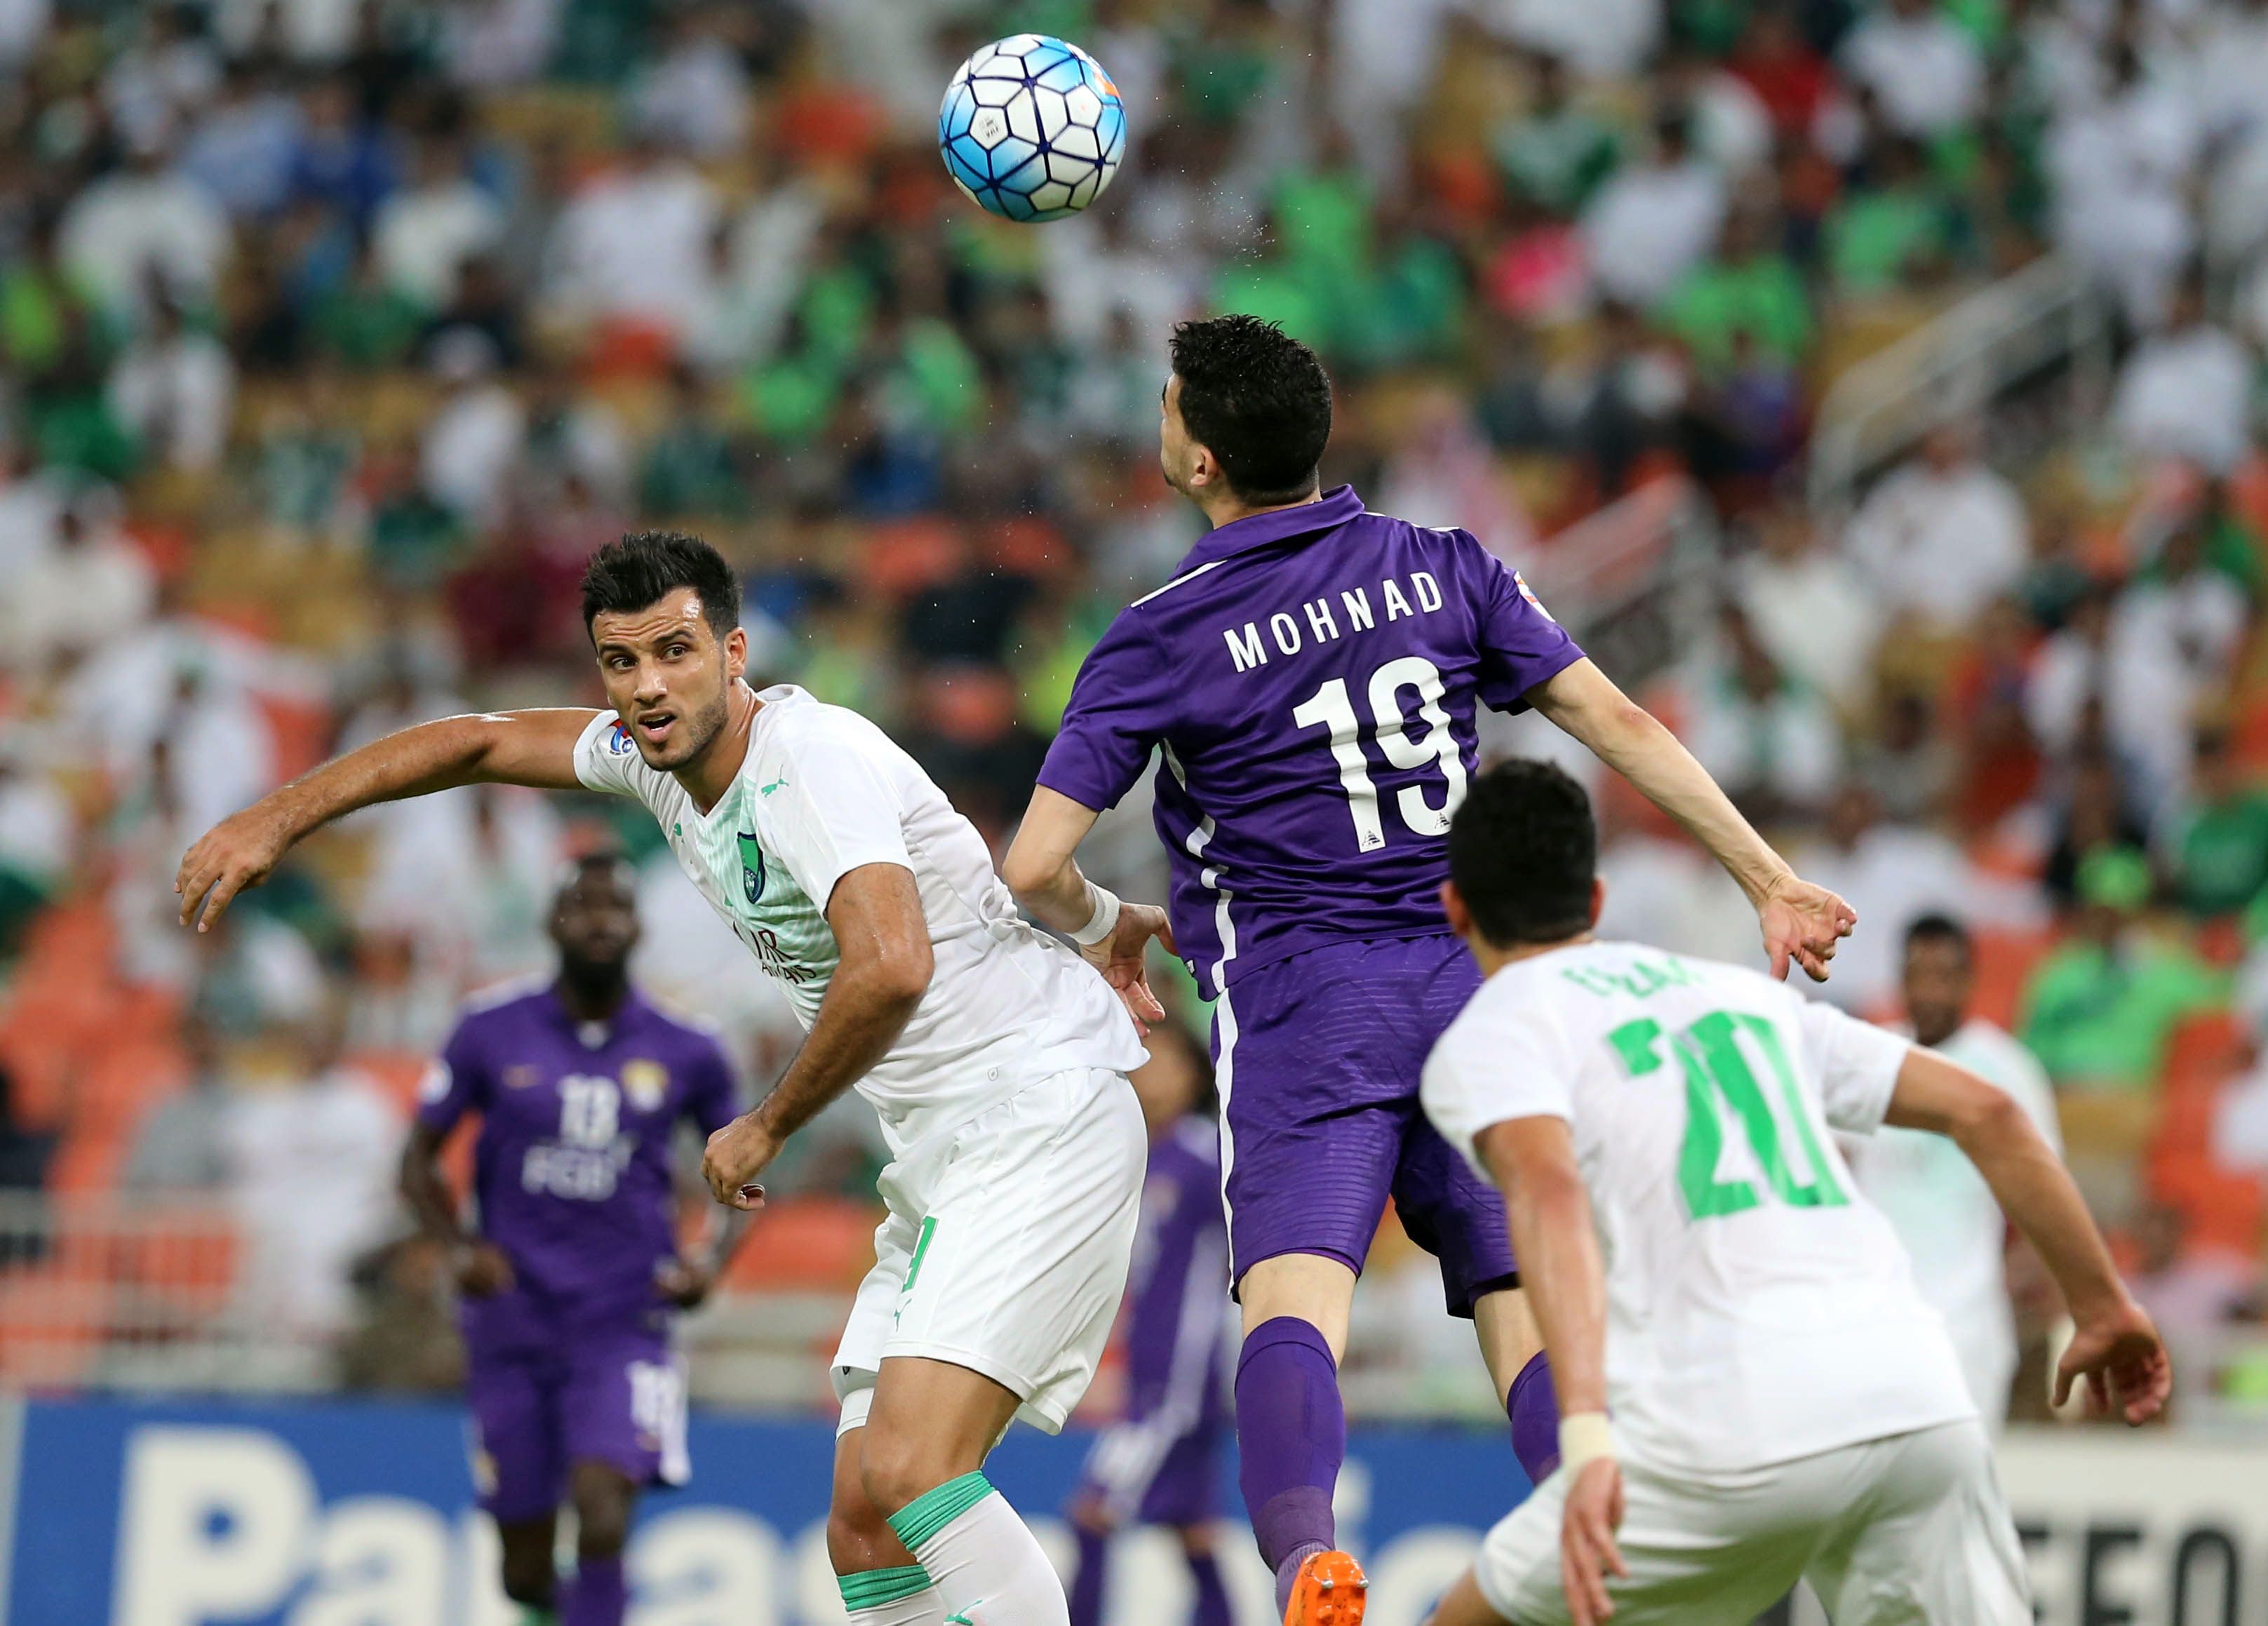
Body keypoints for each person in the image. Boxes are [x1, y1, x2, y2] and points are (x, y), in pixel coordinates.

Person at [1002, 314, 1855, 1624]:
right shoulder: (1440, 564)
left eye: (1169, 408)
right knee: (1512, 1291)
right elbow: (1609, 715)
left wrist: (1102, 918)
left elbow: (1031, 866)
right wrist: (1767, 876)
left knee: (1296, 1298)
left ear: (1198, 460)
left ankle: (1306, 1563)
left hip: (1299, 1005)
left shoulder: (1161, 631)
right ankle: (1606, 1531)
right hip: (1468, 996)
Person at [178, 530, 1153, 1626]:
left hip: (1035, 1109)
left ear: (733, 652)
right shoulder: (651, 758)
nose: (648, 685)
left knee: (918, 1471)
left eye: (675, 652)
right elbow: (478, 743)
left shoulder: (805, 760)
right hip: (948, 1144)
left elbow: (892, 965)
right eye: (621, 661)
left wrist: (768, 1122)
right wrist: (276, 816)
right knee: (865, 1523)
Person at [1418, 760, 2168, 1626]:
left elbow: (1546, 1195)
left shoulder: (1492, 1034)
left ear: (1454, 908)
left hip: (1724, 1429)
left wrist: (1584, 1440)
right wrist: (2103, 1305)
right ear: (1593, 900)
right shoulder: (1741, 996)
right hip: (1914, 1400)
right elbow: (1989, 1111)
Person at [401, 852, 750, 1626]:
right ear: (553, 922)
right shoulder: (489, 1027)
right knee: (523, 1570)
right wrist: (459, 1247)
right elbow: (417, 1160)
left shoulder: (686, 1046)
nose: (600, 920)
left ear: (639, 927)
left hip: (624, 1317)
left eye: (616, 907)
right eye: (583, 905)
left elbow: (751, 1167)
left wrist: (708, 1262)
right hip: (512, 1317)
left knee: (600, 1513)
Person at [1841, 914, 2062, 1423]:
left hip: (1967, 1322)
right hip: (1872, 1317)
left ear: (1968, 981)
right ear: (1900, 980)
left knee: (1960, 1486)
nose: (1930, 991)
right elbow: (1821, 1159)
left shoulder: (2007, 1071)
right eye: (1918, 975)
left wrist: (2019, 1274)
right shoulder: (1868, 1056)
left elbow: (2044, 1190)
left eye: (1944, 976)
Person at [1065, 1022, 1233, 1626]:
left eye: (1162, 1062)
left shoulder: (1205, 1153)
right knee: (1194, 1531)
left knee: (1092, 1513)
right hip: (1151, 1371)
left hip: (1178, 1381)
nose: (1147, 1074)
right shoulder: (1141, 1155)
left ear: (1193, 1075)